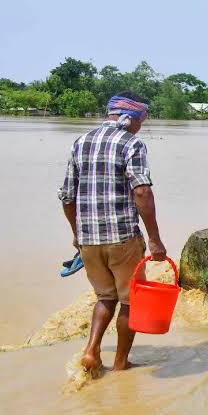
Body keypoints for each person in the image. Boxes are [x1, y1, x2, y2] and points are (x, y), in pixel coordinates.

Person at [58, 91, 167, 371]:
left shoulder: (80, 142)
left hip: (88, 240)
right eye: (141, 121)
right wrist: (155, 240)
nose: (141, 127)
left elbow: (67, 197)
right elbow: (141, 191)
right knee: (130, 301)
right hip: (122, 238)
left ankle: (92, 352)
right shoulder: (132, 143)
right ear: (130, 117)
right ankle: (120, 363)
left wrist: (77, 234)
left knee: (105, 297)